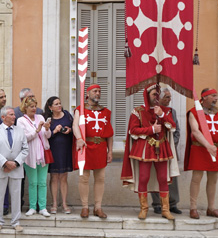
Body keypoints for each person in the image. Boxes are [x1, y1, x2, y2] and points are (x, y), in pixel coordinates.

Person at [121, 83, 178, 220]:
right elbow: (133, 130)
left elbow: (172, 127)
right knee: (144, 178)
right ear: (147, 96)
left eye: (158, 94)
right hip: (144, 149)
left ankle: (165, 210)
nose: (156, 97)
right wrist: (151, 130)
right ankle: (144, 209)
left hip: (162, 147)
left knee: (163, 178)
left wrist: (162, 115)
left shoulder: (166, 111)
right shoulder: (138, 111)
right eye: (154, 94)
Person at [185, 88, 218, 219]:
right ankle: (193, 208)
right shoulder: (194, 112)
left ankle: (211, 208)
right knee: (196, 179)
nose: (216, 98)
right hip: (199, 149)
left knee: (213, 180)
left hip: (215, 149)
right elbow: (195, 131)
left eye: (216, 96)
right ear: (204, 97)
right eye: (213, 96)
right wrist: (207, 145)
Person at [72, 84, 114, 219]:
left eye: (99, 91)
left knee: (100, 178)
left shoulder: (106, 112)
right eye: (95, 91)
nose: (98, 93)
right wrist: (79, 138)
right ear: (88, 93)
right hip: (85, 146)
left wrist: (110, 151)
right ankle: (85, 207)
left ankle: (98, 207)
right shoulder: (80, 109)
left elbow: (109, 134)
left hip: (101, 147)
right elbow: (75, 125)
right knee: (84, 178)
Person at [0, 106, 28, 232]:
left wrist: (15, 163)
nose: (14, 116)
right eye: (11, 115)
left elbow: (25, 149)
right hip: (0, 168)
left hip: (16, 169)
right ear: (3, 117)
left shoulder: (20, 130)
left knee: (16, 196)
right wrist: (5, 163)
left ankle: (16, 222)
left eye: (13, 114)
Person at [16, 96, 52, 217]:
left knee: (42, 182)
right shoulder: (21, 121)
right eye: (31, 106)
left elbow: (48, 136)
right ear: (25, 107)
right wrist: (37, 130)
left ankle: (42, 207)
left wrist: (47, 129)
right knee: (33, 182)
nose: (34, 108)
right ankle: (32, 207)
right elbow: (23, 138)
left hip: (42, 154)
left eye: (35, 106)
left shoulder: (41, 117)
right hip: (29, 155)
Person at [151, 87, 182, 215]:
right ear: (160, 98)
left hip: (170, 150)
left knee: (172, 177)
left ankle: (172, 203)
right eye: (167, 97)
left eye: (170, 97)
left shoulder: (172, 111)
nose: (169, 99)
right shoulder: (151, 111)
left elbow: (177, 131)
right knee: (156, 177)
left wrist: (170, 145)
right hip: (155, 149)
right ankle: (157, 204)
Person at [44, 96, 74, 214]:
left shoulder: (67, 115)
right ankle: (54, 203)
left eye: (60, 103)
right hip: (53, 150)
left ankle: (64, 203)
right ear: (50, 107)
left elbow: (74, 128)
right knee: (54, 177)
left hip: (65, 149)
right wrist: (55, 131)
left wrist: (69, 130)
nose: (59, 106)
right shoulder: (48, 119)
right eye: (56, 104)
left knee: (64, 177)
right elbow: (45, 134)